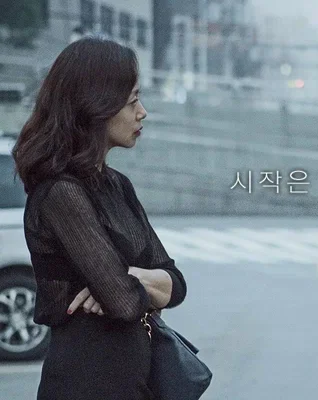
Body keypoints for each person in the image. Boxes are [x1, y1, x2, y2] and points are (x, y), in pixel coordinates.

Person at [12, 37, 187, 400]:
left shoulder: (117, 185)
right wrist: (132, 285)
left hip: (137, 381)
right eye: (132, 101)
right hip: (86, 383)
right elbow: (123, 303)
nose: (142, 112)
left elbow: (176, 283)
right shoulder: (61, 193)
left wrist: (130, 276)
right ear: (95, 106)